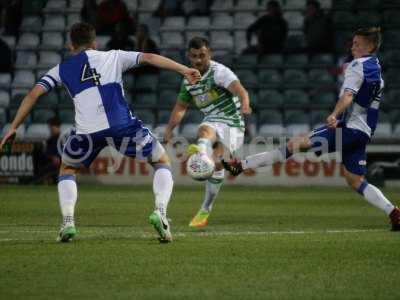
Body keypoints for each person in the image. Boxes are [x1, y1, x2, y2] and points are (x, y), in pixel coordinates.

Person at [0, 22, 201, 243]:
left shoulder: (61, 69)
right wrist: (184, 69)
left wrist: (13, 127)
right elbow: (150, 58)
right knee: (161, 161)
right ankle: (160, 212)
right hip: (122, 125)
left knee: (67, 168)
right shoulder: (113, 56)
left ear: (71, 46)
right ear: (95, 43)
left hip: (87, 132)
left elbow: (32, 95)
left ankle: (68, 222)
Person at [222, 27, 400, 231]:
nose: (352, 47)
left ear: (371, 46)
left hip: (348, 129)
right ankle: (394, 212)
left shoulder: (357, 66)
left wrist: (334, 114)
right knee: (355, 180)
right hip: (363, 133)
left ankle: (241, 166)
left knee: (294, 144)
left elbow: (348, 95)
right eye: (353, 42)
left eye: (357, 44)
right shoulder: (377, 70)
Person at [164, 37, 251, 228]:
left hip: (233, 124)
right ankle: (202, 152)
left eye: (202, 56)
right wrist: (170, 129)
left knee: (219, 163)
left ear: (209, 54)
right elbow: (180, 107)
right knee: (204, 129)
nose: (198, 60)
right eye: (194, 56)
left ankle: (206, 208)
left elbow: (239, 89)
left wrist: (245, 103)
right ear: (189, 56)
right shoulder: (189, 80)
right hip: (212, 120)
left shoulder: (219, 72)